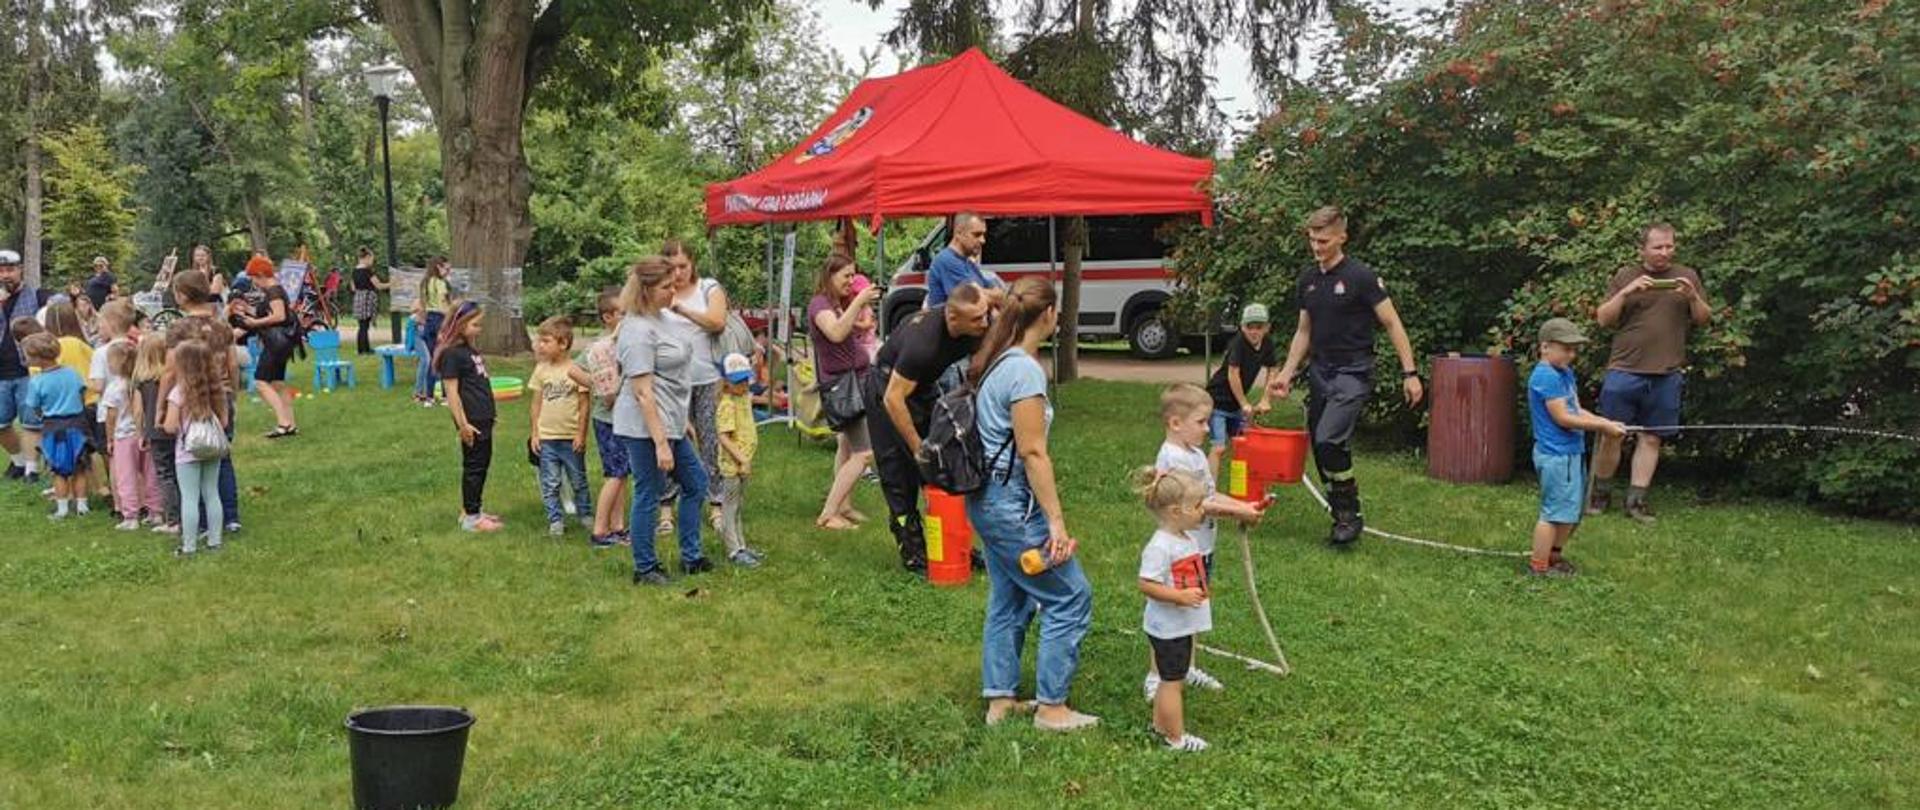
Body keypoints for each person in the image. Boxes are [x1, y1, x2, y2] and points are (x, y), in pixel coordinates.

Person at [969, 277, 1097, 732]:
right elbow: (1033, 451)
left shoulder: (999, 361)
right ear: (1048, 315)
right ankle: (1052, 707)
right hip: (1009, 505)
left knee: (1011, 597)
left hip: (987, 502)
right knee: (1070, 595)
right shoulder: (1023, 371)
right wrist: (1056, 524)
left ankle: (1000, 702)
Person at [1271, 206, 1425, 546]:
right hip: (1320, 371)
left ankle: (1348, 513)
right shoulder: (1308, 280)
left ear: (1342, 237)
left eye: (1323, 240)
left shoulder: (1360, 277)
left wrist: (1410, 373)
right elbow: (1303, 332)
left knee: (1329, 439)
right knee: (1320, 445)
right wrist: (1286, 372)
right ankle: (1340, 512)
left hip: (1353, 370)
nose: (1317, 247)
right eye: (1312, 240)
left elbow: (1392, 323)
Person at [1145, 383, 1265, 700]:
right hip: (1178, 550)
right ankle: (1156, 675)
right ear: (1175, 423)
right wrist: (1240, 512)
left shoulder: (1195, 454)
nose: (1208, 428)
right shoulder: (1172, 458)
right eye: (1200, 422)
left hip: (1199, 545)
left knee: (1191, 606)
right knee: (1171, 606)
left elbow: (1208, 496)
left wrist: (1244, 506)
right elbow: (1199, 505)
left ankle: (1187, 666)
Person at [1587, 222, 1711, 524]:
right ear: (1642, 249)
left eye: (1669, 246)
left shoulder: (1687, 276)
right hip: (1624, 369)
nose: (1665, 252)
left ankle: (1636, 501)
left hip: (1667, 372)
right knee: (1611, 435)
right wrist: (1627, 292)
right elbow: (1603, 319)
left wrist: (1693, 296)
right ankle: (1600, 495)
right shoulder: (1625, 276)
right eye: (1658, 247)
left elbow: (1705, 319)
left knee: (1652, 438)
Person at [863, 283, 991, 572]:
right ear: (952, 318)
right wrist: (918, 447)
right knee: (901, 475)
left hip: (922, 387)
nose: (984, 323)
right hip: (887, 389)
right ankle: (914, 553)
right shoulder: (923, 342)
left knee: (944, 464)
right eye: (977, 319)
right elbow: (894, 399)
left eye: (985, 315)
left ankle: (953, 543)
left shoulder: (977, 321)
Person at [615, 257, 710, 585]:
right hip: (644, 427)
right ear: (645, 290)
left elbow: (675, 377)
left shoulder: (664, 318)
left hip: (670, 419)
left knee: (696, 483)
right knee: (649, 491)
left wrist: (680, 420)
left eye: (675, 284)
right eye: (666, 287)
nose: (674, 291)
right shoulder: (636, 331)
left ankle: (691, 556)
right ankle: (645, 568)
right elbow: (643, 393)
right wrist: (660, 443)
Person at [1528, 318, 1628, 577]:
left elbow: (1575, 409)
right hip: (1556, 456)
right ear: (1545, 347)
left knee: (1569, 512)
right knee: (1553, 513)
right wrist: (1602, 429)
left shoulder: (1563, 373)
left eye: (1574, 349)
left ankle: (1554, 556)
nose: (1572, 354)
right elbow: (1563, 418)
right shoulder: (1545, 376)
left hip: (1570, 453)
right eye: (1566, 348)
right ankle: (1539, 567)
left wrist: (1603, 420)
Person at [1133, 466, 1217, 752]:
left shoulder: (1186, 538)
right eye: (1196, 506)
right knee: (1171, 682)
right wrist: (1179, 597)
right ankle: (1175, 737)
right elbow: (1146, 584)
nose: (1202, 510)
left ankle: (1159, 726)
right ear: (1174, 512)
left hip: (1179, 625)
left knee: (1173, 678)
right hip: (1168, 627)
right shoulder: (1160, 546)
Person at [807, 253, 880, 530]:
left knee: (846, 446)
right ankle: (829, 513)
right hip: (842, 387)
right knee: (865, 452)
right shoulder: (819, 305)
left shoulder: (836, 303)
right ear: (829, 276)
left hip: (853, 382)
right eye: (846, 276)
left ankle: (844, 505)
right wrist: (859, 302)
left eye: (853, 275)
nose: (851, 281)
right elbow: (836, 333)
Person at [662, 240, 729, 529]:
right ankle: (666, 505)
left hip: (705, 377)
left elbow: (717, 322)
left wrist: (682, 310)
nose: (677, 273)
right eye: (671, 267)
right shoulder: (658, 292)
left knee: (710, 440)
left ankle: (716, 502)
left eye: (683, 266)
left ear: (692, 264)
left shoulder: (708, 288)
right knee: (667, 441)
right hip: (670, 381)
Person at [170, 269, 243, 535]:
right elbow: (233, 364)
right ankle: (230, 515)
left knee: (192, 456)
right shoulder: (222, 326)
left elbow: (170, 369)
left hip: (190, 397)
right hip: (221, 394)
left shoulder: (179, 329)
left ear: (183, 295)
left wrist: (164, 403)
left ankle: (200, 519)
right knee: (221, 454)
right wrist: (232, 392)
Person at [161, 338, 229, 555]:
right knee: (212, 492)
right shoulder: (216, 391)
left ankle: (189, 546)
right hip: (211, 447)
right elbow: (224, 422)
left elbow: (170, 427)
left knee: (189, 497)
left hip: (187, 450)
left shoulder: (178, 393)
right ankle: (215, 541)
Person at [528, 316, 593, 537]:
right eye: (540, 341)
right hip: (547, 439)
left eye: (546, 341)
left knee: (578, 480)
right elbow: (536, 404)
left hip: (570, 438)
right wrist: (535, 433)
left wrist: (581, 434)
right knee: (550, 482)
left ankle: (585, 515)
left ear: (563, 343)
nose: (540, 346)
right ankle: (555, 520)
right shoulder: (541, 370)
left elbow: (584, 406)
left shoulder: (576, 370)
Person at [576, 288, 631, 548]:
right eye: (623, 313)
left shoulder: (627, 342)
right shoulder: (600, 347)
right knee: (615, 475)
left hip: (626, 418)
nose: (628, 316)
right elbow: (573, 370)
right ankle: (599, 531)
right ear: (608, 317)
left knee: (622, 473)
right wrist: (598, 386)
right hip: (608, 419)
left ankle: (618, 527)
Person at [1204, 303, 1280, 476]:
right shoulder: (1238, 343)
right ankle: (1209, 492)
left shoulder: (1267, 343)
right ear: (1242, 327)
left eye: (1259, 327)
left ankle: (1245, 488)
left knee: (1244, 445)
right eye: (1249, 327)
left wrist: (1266, 398)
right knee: (1219, 447)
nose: (1254, 332)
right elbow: (1233, 373)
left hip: (1235, 406)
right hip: (1217, 401)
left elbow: (1273, 369)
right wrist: (1244, 403)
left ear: (1267, 327)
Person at [22, 333, 90, 518]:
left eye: (28, 355)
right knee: (79, 466)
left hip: (53, 426)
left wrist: (42, 414)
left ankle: (62, 509)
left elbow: (34, 405)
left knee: (58, 469)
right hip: (77, 423)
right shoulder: (71, 372)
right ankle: (82, 506)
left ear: (38, 358)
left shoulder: (37, 381)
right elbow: (82, 392)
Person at [1, 248, 54, 482]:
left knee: (31, 423)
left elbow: (57, 308)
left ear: (20, 270)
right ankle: (18, 462)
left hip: (28, 371)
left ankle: (32, 470)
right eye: (1, 271)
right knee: (1, 424)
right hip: (1, 373)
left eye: (10, 269)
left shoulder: (37, 296)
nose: (5, 275)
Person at [234, 255, 298, 438]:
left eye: (254, 277)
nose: (253, 282)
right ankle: (290, 423)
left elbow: (279, 316)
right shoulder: (274, 290)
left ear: (261, 274)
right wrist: (248, 310)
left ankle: (283, 423)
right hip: (281, 343)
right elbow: (267, 312)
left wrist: (255, 323)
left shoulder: (274, 291)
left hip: (276, 344)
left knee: (261, 382)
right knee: (278, 383)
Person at [44, 300, 99, 500]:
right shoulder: (79, 344)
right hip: (89, 400)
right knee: (87, 451)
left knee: (63, 454)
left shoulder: (49, 349)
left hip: (61, 410)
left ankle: (64, 492)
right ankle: (97, 489)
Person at [714, 352, 765, 568]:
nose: (743, 385)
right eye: (738, 382)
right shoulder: (727, 404)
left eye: (746, 380)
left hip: (744, 462)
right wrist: (741, 459)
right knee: (730, 506)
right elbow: (724, 437)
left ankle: (742, 545)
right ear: (725, 382)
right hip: (733, 463)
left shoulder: (742, 398)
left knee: (738, 506)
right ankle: (733, 550)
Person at [99, 341, 153, 530]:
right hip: (142, 434)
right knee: (149, 474)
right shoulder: (141, 384)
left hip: (123, 437)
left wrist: (109, 439)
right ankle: (156, 511)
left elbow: (111, 417)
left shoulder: (114, 387)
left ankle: (130, 515)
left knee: (126, 476)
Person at [132, 334, 179, 534]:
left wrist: (141, 432)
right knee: (180, 472)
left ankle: (173, 519)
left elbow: (138, 411)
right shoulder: (173, 379)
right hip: (176, 428)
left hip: (156, 431)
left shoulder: (143, 382)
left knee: (165, 474)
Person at [924, 212, 1005, 308]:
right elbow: (972, 302)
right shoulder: (947, 260)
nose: (983, 240)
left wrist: (985, 293)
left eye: (983, 235)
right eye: (977, 234)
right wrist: (992, 295)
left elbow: (999, 294)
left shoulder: (968, 262)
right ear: (958, 233)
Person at [414, 257, 453, 407]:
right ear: (438, 267)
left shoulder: (425, 283)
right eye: (446, 269)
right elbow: (443, 304)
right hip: (440, 320)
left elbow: (422, 306)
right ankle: (444, 397)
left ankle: (429, 397)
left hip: (429, 321)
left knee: (432, 360)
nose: (447, 272)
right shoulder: (440, 283)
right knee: (443, 359)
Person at [350, 248, 391, 354]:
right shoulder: (367, 271)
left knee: (361, 325)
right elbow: (378, 285)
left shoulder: (354, 271)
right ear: (367, 257)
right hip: (367, 298)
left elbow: (353, 287)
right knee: (365, 326)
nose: (372, 262)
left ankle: (362, 349)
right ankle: (365, 349)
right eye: (372, 259)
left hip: (358, 297)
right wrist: (392, 284)